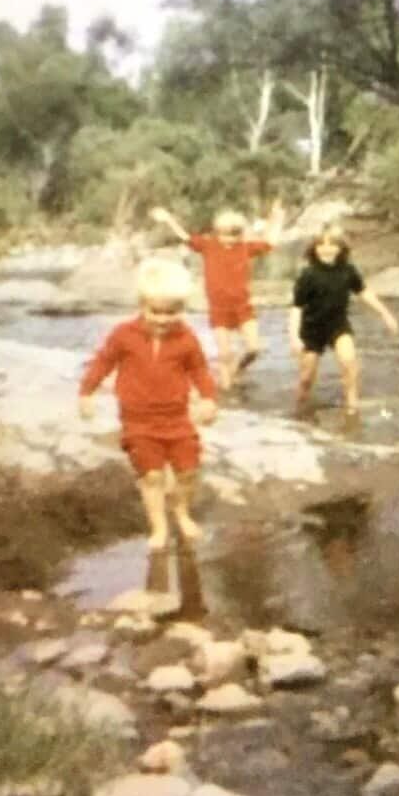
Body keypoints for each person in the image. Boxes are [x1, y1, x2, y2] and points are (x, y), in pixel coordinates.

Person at [78, 258, 217, 551]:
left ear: (182, 309)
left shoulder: (186, 337)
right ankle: (159, 526)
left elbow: (199, 370)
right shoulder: (123, 335)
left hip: (177, 418)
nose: (164, 319)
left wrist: (208, 398)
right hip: (137, 420)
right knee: (152, 475)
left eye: (172, 312)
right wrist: (87, 392)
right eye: (156, 311)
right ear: (142, 304)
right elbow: (103, 361)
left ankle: (181, 512)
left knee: (188, 471)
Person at [151, 201, 285, 391]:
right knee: (224, 354)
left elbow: (271, 242)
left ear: (240, 234)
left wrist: (276, 218)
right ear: (217, 232)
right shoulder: (208, 246)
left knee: (254, 349)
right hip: (219, 309)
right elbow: (185, 237)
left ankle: (238, 369)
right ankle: (227, 391)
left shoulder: (245, 248)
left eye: (234, 234)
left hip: (243, 307)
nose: (229, 239)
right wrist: (168, 219)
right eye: (224, 234)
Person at [288, 224, 399, 414]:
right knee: (306, 378)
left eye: (332, 244)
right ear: (314, 248)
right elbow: (296, 308)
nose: (327, 248)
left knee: (349, 362)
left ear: (340, 248)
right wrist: (294, 337)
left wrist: (385, 314)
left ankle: (351, 406)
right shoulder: (308, 275)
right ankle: (299, 411)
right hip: (311, 329)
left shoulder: (348, 271)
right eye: (321, 244)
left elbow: (364, 293)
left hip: (338, 325)